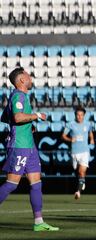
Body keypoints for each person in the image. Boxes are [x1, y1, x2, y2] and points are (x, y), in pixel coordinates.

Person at [0, 67, 59, 231]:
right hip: (20, 146)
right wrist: (36, 116)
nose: (30, 77)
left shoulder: (20, 96)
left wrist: (27, 126)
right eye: (27, 75)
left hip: (29, 145)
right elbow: (17, 117)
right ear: (21, 80)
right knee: (12, 183)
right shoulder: (18, 95)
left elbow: (5, 117)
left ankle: (39, 223)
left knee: (36, 183)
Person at [61, 106, 94, 200]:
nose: (79, 117)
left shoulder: (88, 124)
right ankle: (82, 182)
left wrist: (92, 139)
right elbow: (63, 136)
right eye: (78, 115)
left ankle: (78, 192)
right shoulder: (70, 124)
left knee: (81, 171)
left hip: (85, 151)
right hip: (74, 152)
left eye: (81, 115)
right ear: (75, 115)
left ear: (84, 116)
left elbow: (90, 132)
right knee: (77, 171)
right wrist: (70, 139)